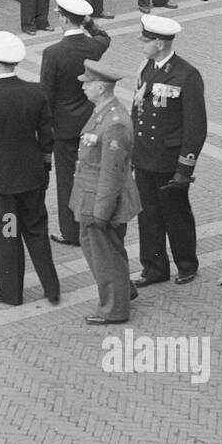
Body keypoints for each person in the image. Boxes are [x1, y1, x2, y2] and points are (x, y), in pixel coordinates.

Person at [0, 30, 60, 306]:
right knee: (36, 231)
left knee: (8, 235)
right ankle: (52, 287)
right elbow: (47, 138)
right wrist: (45, 169)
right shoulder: (36, 92)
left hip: (5, 182)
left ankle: (11, 291)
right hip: (33, 177)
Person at [131, 15, 206, 288]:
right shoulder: (146, 68)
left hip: (169, 160)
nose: (141, 43)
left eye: (145, 39)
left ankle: (186, 264)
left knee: (176, 216)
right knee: (148, 215)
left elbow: (196, 127)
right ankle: (154, 267)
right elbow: (137, 112)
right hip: (145, 157)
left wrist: (185, 168)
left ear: (160, 43)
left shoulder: (187, 75)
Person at [41, 0, 111, 248]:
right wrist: (89, 24)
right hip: (91, 120)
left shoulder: (53, 53)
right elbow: (105, 38)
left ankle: (71, 231)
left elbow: (46, 94)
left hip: (64, 127)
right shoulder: (93, 46)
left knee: (67, 180)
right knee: (91, 172)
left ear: (63, 18)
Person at [75, 60, 141, 325]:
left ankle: (114, 309)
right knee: (99, 249)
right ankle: (124, 289)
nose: (83, 87)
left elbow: (111, 173)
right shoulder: (103, 111)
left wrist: (101, 213)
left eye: (87, 83)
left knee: (105, 254)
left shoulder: (114, 122)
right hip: (91, 195)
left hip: (101, 200)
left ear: (101, 87)